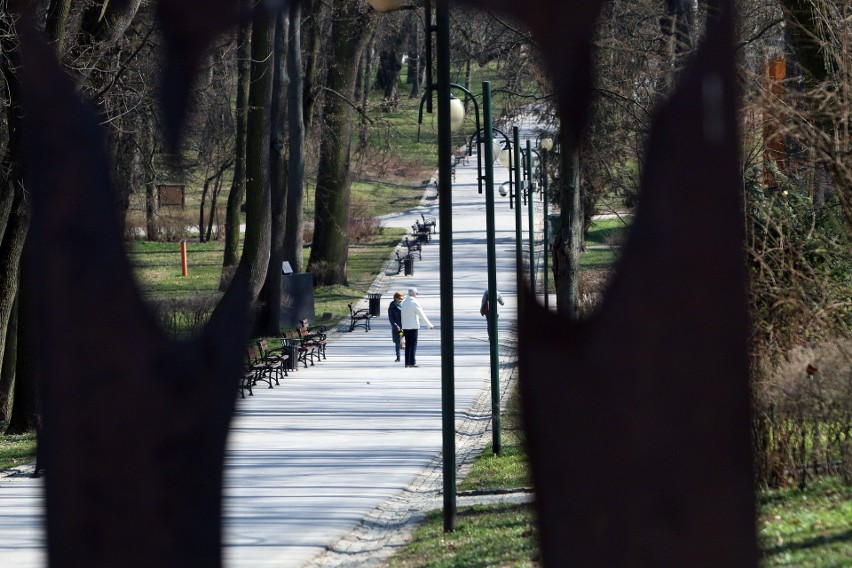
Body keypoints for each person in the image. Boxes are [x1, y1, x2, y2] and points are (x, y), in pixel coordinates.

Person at [400, 287, 433, 368]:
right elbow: (421, 314)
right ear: (414, 294)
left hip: (405, 326)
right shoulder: (414, 303)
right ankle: (412, 362)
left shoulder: (404, 303)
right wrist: (429, 325)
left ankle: (407, 362)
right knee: (413, 344)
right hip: (413, 326)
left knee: (407, 345)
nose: (416, 295)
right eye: (416, 294)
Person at [387, 291, 404, 362]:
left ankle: (408, 357)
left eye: (402, 299)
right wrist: (396, 326)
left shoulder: (403, 306)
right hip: (397, 328)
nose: (401, 300)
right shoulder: (392, 307)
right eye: (400, 298)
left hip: (404, 327)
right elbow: (391, 319)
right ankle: (398, 357)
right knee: (398, 342)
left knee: (404, 341)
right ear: (396, 298)